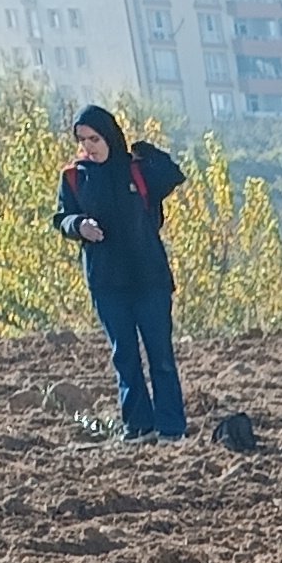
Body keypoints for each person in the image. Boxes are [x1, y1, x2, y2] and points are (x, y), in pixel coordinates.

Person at [53, 107, 184, 442]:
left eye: (94, 138)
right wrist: (78, 225)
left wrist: (146, 150)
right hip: (107, 284)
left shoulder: (139, 171)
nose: (88, 146)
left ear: (109, 136)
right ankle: (139, 427)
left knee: (161, 357)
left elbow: (174, 173)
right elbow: (62, 217)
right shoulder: (73, 177)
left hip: (149, 279)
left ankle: (171, 429)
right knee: (124, 357)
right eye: (82, 140)